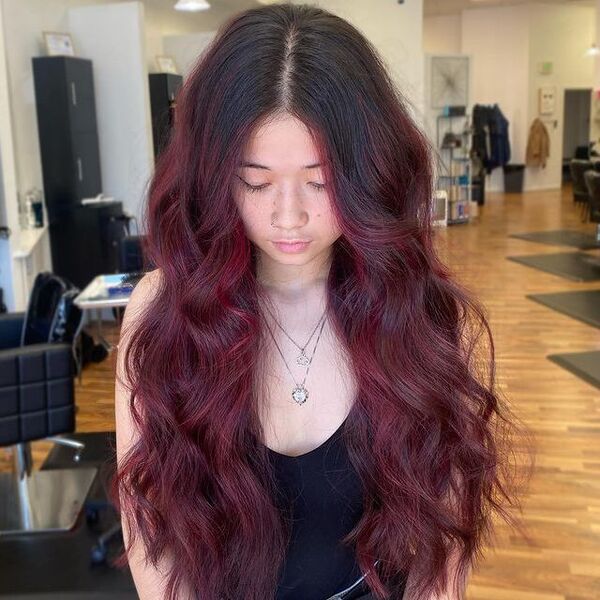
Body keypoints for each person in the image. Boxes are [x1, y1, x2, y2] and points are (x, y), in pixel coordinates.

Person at [110, 4, 531, 600]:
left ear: (368, 171)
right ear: (213, 175)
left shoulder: (424, 316)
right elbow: (151, 533)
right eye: (255, 182)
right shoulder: (161, 314)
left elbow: (444, 547)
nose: (289, 216)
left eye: (320, 180)